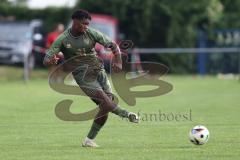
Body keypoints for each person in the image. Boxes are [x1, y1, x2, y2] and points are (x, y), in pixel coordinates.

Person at [43, 9, 139, 148]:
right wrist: (50, 60)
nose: (86, 27)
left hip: (99, 72)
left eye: (88, 24)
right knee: (106, 102)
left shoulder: (91, 33)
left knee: (106, 106)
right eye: (84, 24)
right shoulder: (63, 39)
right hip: (83, 76)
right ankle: (127, 114)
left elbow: (113, 45)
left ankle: (88, 140)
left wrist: (118, 61)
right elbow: (46, 58)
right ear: (75, 22)